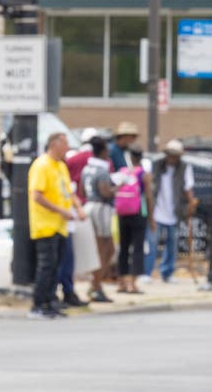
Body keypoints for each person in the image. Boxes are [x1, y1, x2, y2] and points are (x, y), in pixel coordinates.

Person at [29, 132, 86, 319]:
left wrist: (78, 207)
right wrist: (60, 211)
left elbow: (68, 191)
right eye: (65, 144)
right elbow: (37, 196)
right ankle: (38, 305)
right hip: (45, 225)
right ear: (54, 144)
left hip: (61, 226)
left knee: (56, 267)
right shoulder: (42, 165)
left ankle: (51, 302)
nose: (68, 148)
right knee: (46, 266)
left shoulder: (61, 166)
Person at [145, 139, 195, 284]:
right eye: (170, 155)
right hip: (156, 211)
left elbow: (188, 188)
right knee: (152, 243)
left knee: (172, 244)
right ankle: (147, 272)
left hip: (174, 211)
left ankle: (167, 272)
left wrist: (191, 202)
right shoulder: (155, 165)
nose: (172, 159)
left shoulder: (184, 168)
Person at [80, 136, 116, 303]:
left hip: (88, 205)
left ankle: (96, 284)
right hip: (101, 208)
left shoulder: (87, 168)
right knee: (105, 248)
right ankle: (96, 285)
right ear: (103, 151)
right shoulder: (102, 170)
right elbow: (105, 192)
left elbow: (82, 190)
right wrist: (119, 187)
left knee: (99, 247)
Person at [114, 145, 151, 294]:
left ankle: (121, 282)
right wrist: (152, 218)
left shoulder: (123, 172)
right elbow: (148, 196)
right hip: (138, 213)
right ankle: (133, 284)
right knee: (137, 247)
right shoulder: (143, 174)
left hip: (122, 214)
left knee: (123, 247)